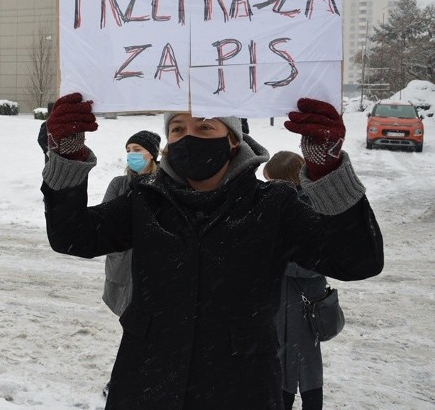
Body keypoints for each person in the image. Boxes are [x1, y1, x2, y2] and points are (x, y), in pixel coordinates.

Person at [41, 93, 384, 409]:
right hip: (145, 385)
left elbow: (356, 259)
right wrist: (66, 155)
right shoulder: (145, 199)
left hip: (241, 389)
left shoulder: (274, 204)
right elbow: (73, 236)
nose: (189, 136)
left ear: (233, 140)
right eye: (177, 129)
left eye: (205, 126)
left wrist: (328, 170)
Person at [265, 150, 328, 410]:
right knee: (282, 364)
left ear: (287, 179)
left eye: (273, 182)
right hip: (282, 300)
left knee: (306, 368)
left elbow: (320, 261)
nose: (270, 188)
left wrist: (279, 262)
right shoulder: (282, 204)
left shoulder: (314, 206)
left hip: (305, 303)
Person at [101, 129, 160, 399]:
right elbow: (106, 220)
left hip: (154, 268)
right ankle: (127, 381)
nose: (132, 155)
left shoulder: (167, 183)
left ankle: (125, 381)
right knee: (130, 322)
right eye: (129, 149)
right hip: (124, 264)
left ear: (152, 154)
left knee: (145, 326)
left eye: (138, 149)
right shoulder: (118, 183)